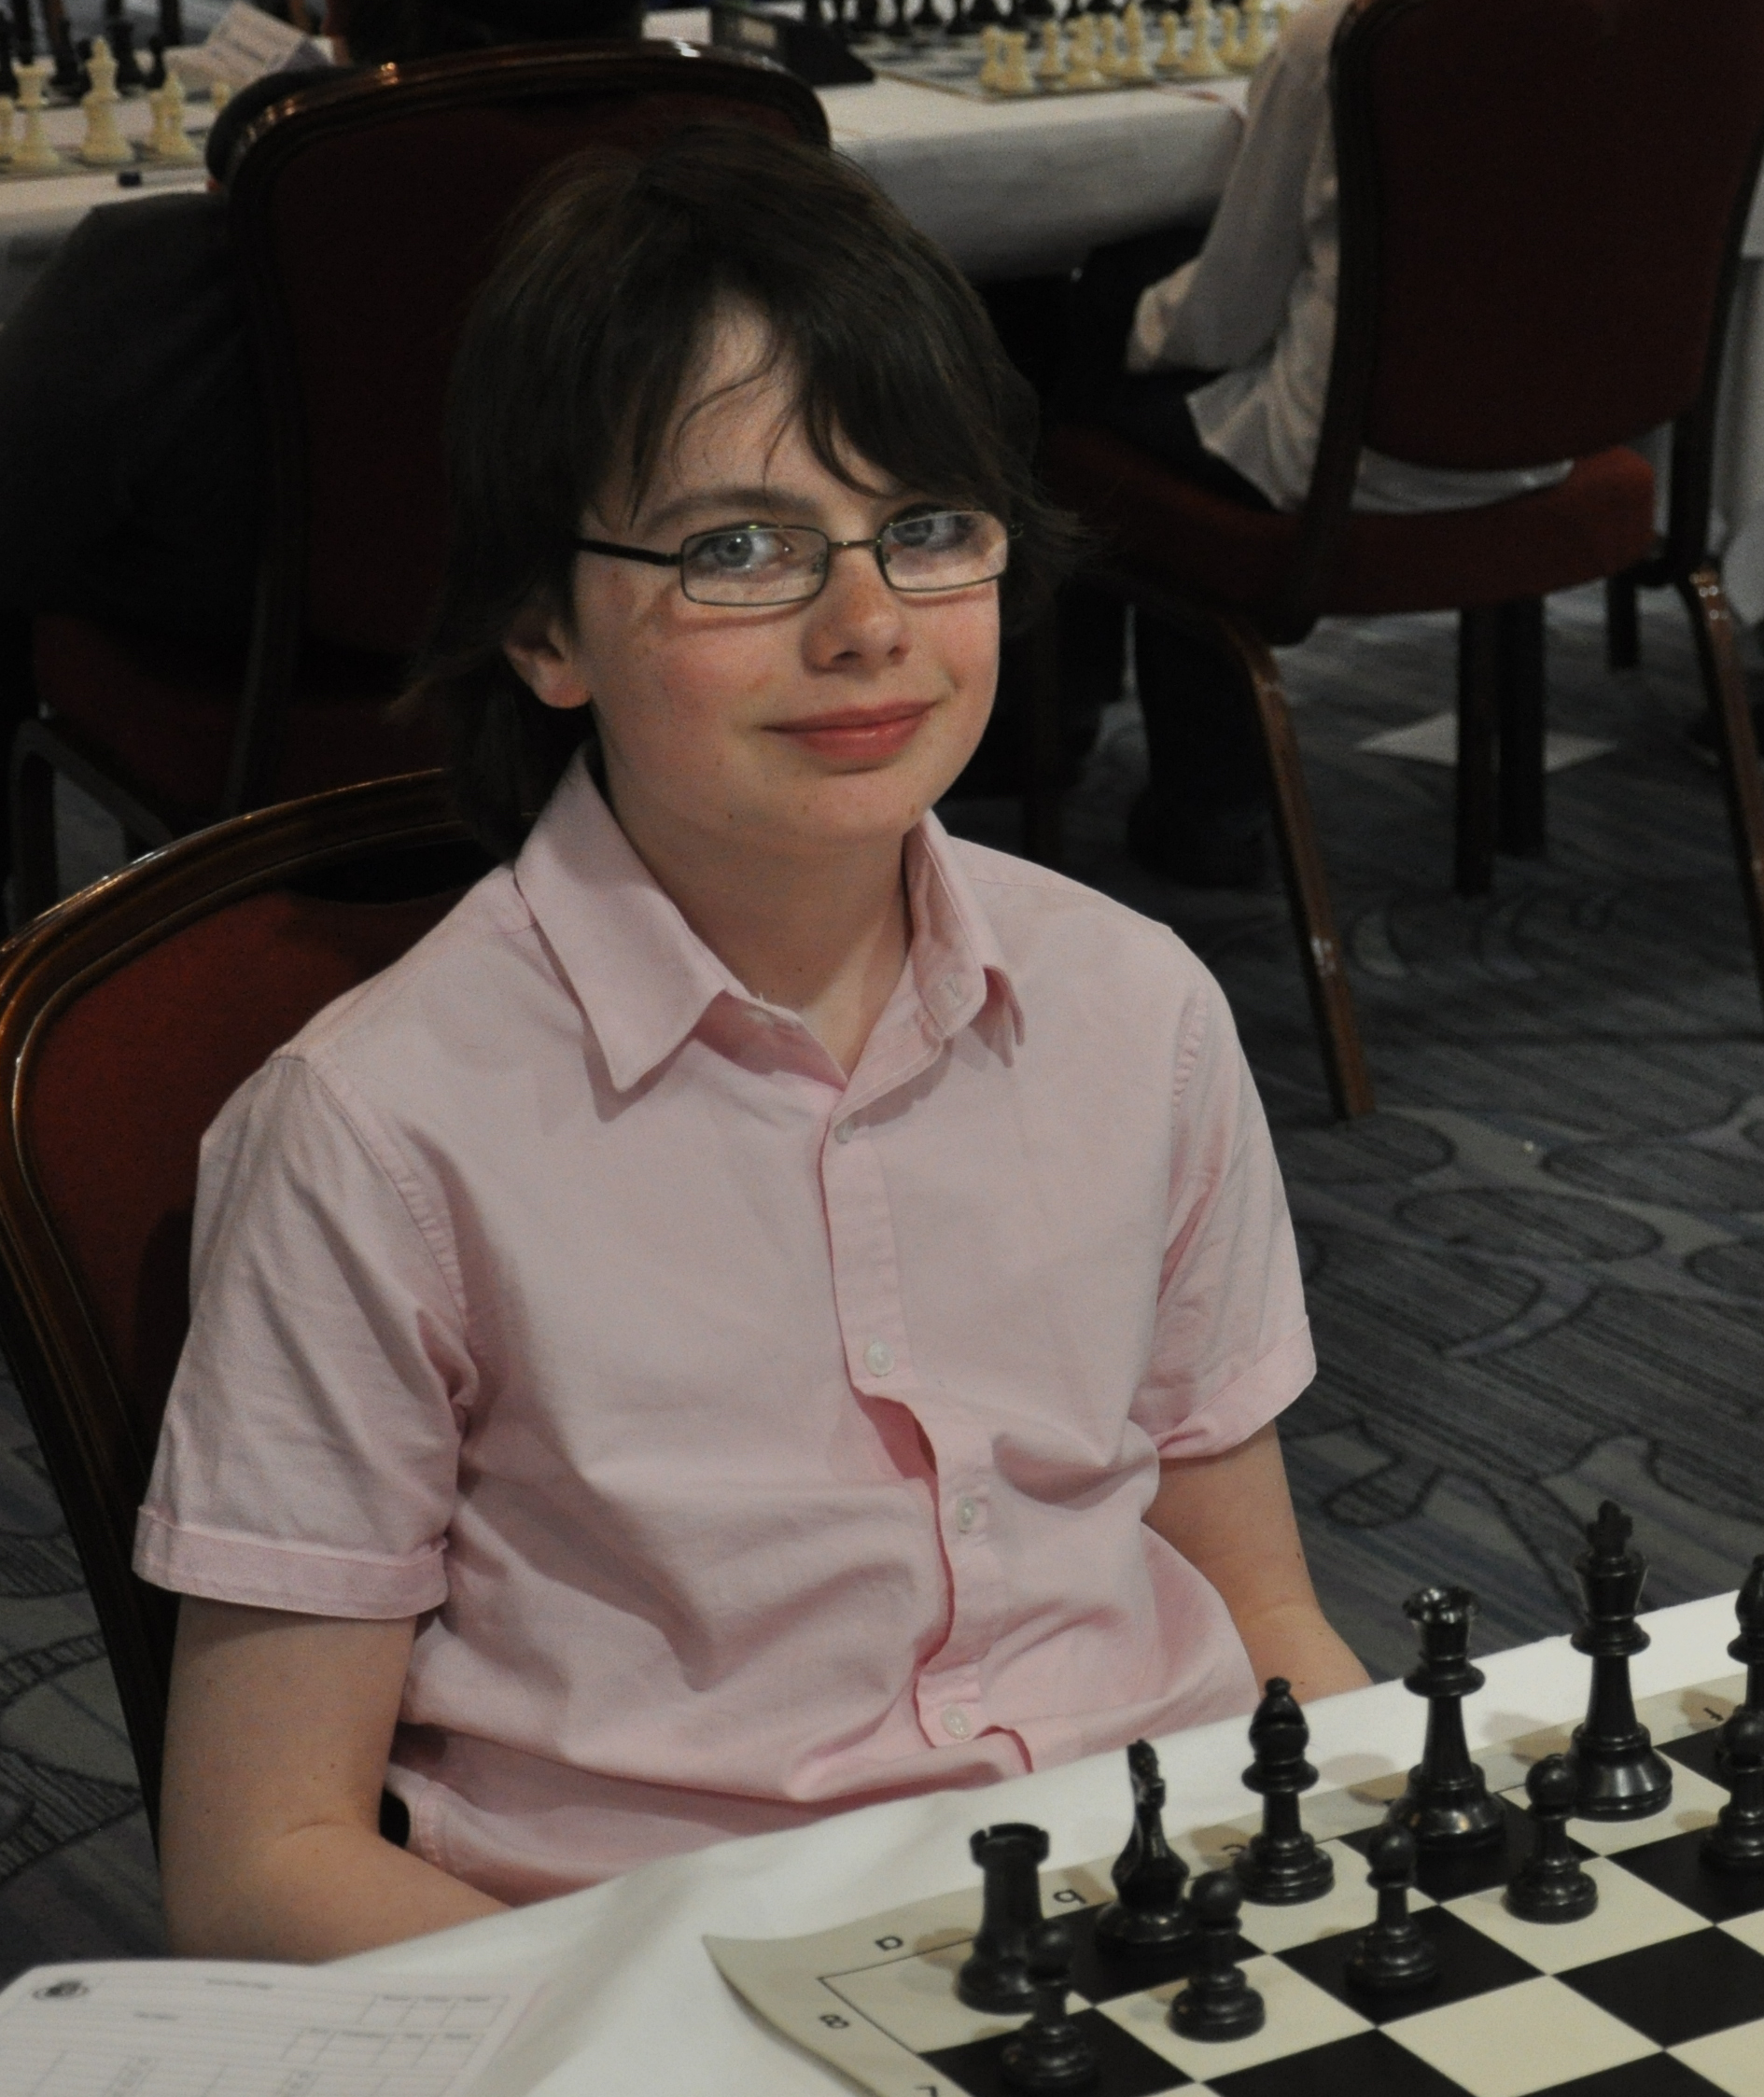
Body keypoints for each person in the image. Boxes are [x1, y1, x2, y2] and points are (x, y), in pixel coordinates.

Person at [132, 124, 1366, 1962]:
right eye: (738, 549)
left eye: (927, 528)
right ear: (542, 626)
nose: (865, 625)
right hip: (684, 1985)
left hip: (1157, 1910)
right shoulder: (382, 1131)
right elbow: (260, 1860)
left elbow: (1261, 1612)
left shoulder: (1138, 1007)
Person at [0, 0, 645, 864]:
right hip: (635, 672)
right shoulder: (719, 202)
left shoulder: (172, 263)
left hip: (280, 705)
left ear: (341, 17)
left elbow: (21, 506)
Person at [1058, 0, 1568, 885]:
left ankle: (1160, 780)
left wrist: (1118, 330)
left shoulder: (1343, 33)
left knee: (1060, 358)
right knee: (1128, 312)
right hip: (1559, 438)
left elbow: (1227, 314)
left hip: (1348, 459)